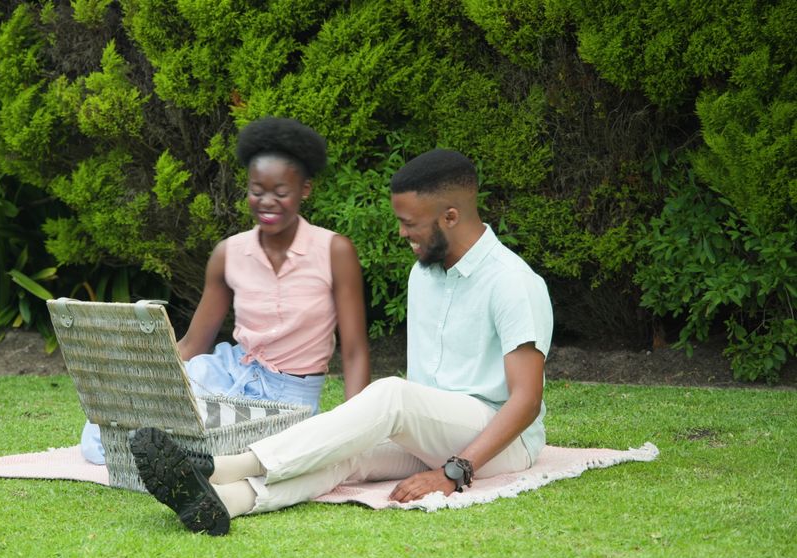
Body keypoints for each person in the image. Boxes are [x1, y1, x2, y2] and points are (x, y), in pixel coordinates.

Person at [129, 148, 554, 536]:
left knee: (391, 395)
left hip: (502, 442)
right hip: (432, 429)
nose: (403, 233)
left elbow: (525, 401)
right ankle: (227, 501)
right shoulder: (423, 274)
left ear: (450, 216)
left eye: (410, 223)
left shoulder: (512, 283)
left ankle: (219, 467)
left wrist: (455, 471)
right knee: (350, 450)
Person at [79, 117, 371, 464]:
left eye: (281, 192)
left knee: (243, 454)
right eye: (256, 191)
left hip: (290, 397)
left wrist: (357, 432)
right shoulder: (229, 253)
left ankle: (183, 459)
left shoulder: (335, 251)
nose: (267, 202)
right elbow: (193, 344)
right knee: (99, 432)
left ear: (304, 189)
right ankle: (168, 456)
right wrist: (142, 384)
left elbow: (354, 351)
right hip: (229, 371)